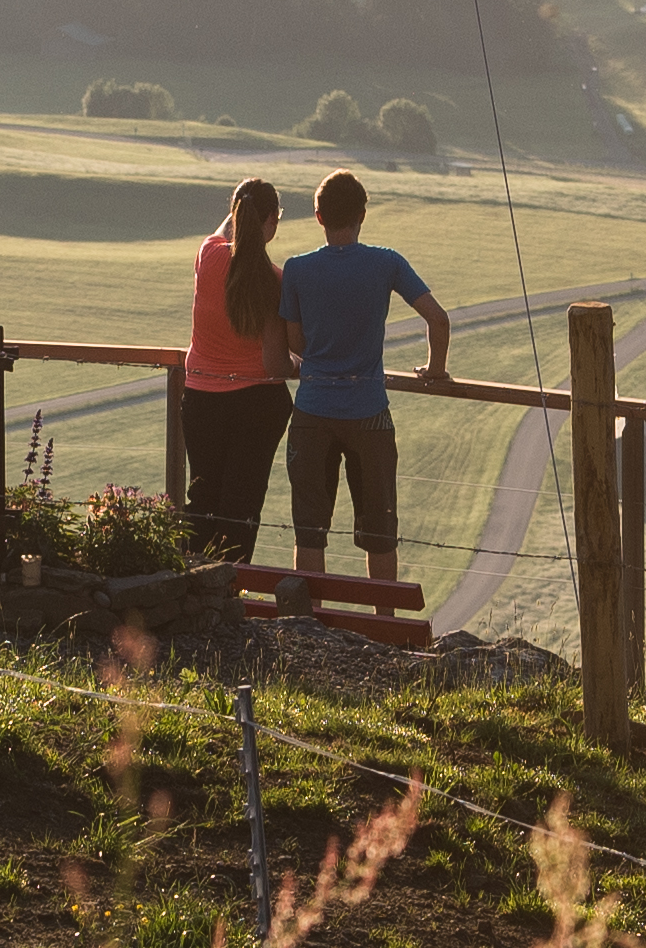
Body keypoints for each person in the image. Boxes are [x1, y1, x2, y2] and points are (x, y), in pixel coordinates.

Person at [273, 164, 453, 622]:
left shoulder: (296, 269)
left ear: (317, 216)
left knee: (309, 531)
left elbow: (295, 345)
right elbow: (438, 319)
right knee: (379, 528)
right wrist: (435, 369)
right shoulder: (386, 262)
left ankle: (309, 625)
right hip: (370, 412)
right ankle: (385, 626)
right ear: (362, 216)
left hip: (312, 411)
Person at [176, 177, 295, 561]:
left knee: (203, 497)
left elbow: (221, 234)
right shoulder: (275, 280)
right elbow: (275, 362)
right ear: (271, 222)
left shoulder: (208, 255)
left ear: (233, 214)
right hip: (257, 402)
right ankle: (231, 592)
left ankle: (193, 587)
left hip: (200, 397)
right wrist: (298, 365)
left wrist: (236, 211)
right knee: (241, 508)